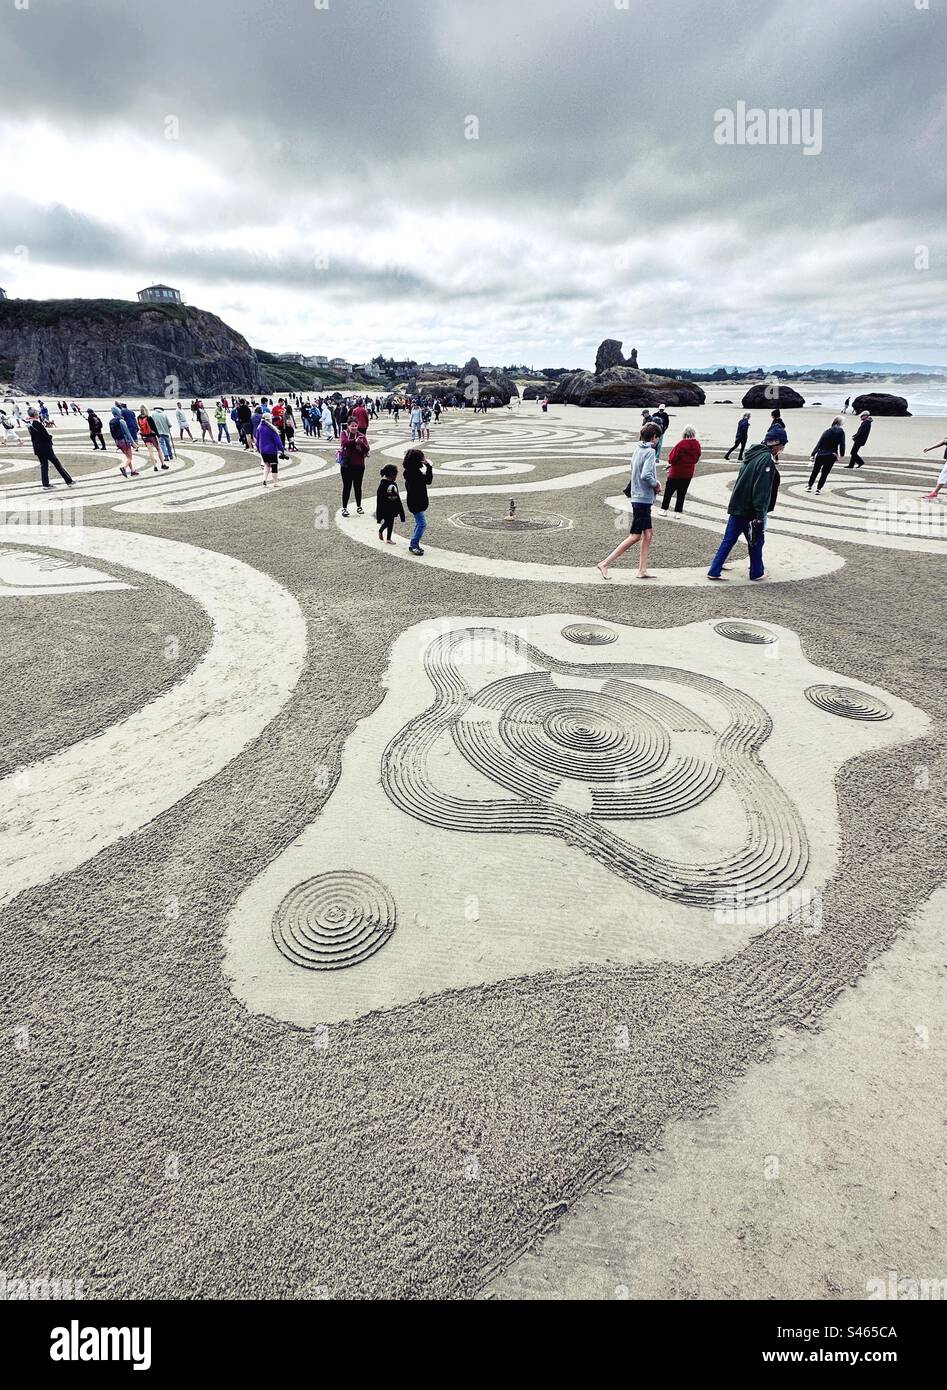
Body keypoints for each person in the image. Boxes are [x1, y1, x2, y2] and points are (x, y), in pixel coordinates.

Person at [707, 435, 783, 581]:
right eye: (782, 446)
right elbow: (761, 488)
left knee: (729, 539)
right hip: (749, 508)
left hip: (738, 504)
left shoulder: (752, 454)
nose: (782, 449)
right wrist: (760, 513)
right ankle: (756, 572)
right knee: (756, 540)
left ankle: (714, 569)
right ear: (776, 446)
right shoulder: (766, 459)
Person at [596, 421, 661, 579]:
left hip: (638, 496)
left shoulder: (638, 449)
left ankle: (642, 570)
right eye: (658, 437)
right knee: (635, 536)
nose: (658, 440)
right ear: (654, 437)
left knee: (648, 534)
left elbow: (634, 468)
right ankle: (605, 563)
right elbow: (645, 475)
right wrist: (656, 484)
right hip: (643, 499)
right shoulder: (650, 452)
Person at [27, 408, 74, 489]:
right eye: (37, 413)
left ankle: (45, 484)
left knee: (44, 465)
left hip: (37, 448)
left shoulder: (30, 424)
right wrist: (50, 436)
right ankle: (69, 481)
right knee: (57, 464)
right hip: (45, 448)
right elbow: (46, 436)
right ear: (35, 414)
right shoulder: (37, 424)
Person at [662, 426, 701, 514]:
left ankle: (664, 510)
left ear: (684, 434)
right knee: (682, 493)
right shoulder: (697, 445)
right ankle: (678, 512)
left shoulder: (680, 444)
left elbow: (672, 458)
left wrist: (670, 463)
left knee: (668, 492)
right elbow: (696, 459)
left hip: (676, 472)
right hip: (688, 473)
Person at [402, 447, 433, 555]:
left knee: (419, 523)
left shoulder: (411, 472)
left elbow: (426, 481)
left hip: (415, 502)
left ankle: (414, 543)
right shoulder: (414, 473)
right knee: (422, 524)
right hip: (416, 503)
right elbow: (428, 480)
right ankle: (414, 544)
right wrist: (428, 467)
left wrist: (428, 467)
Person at [807, 417, 846, 493]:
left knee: (815, 471)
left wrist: (813, 453)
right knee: (825, 473)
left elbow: (819, 443)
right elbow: (842, 444)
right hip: (832, 455)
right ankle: (818, 489)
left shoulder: (827, 431)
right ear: (840, 423)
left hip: (821, 454)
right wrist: (842, 454)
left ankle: (809, 486)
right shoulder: (841, 432)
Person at [339, 423, 370, 515]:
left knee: (358, 486)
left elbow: (367, 448)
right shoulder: (344, 433)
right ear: (348, 426)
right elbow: (344, 442)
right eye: (352, 426)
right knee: (347, 487)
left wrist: (361, 444)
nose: (354, 428)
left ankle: (359, 506)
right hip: (346, 465)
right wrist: (355, 441)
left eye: (355, 426)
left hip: (359, 465)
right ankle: (344, 508)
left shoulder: (361, 435)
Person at [375, 463, 405, 543]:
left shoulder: (383, 484)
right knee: (389, 522)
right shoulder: (389, 485)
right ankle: (386, 536)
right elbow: (396, 498)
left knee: (389, 522)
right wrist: (400, 511)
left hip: (387, 508)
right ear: (392, 474)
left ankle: (386, 536)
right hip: (388, 508)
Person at [109, 405, 139, 476]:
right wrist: (133, 443)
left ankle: (132, 471)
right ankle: (124, 468)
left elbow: (112, 433)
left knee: (128, 457)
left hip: (118, 441)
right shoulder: (121, 421)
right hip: (124, 441)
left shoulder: (111, 422)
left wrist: (116, 443)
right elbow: (127, 433)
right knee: (130, 458)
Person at [256, 411, 282, 486]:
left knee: (266, 465)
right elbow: (278, 441)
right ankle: (275, 482)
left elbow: (257, 440)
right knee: (274, 466)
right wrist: (281, 449)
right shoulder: (272, 428)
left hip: (263, 450)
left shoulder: (259, 427)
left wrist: (258, 448)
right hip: (271, 451)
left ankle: (264, 480)